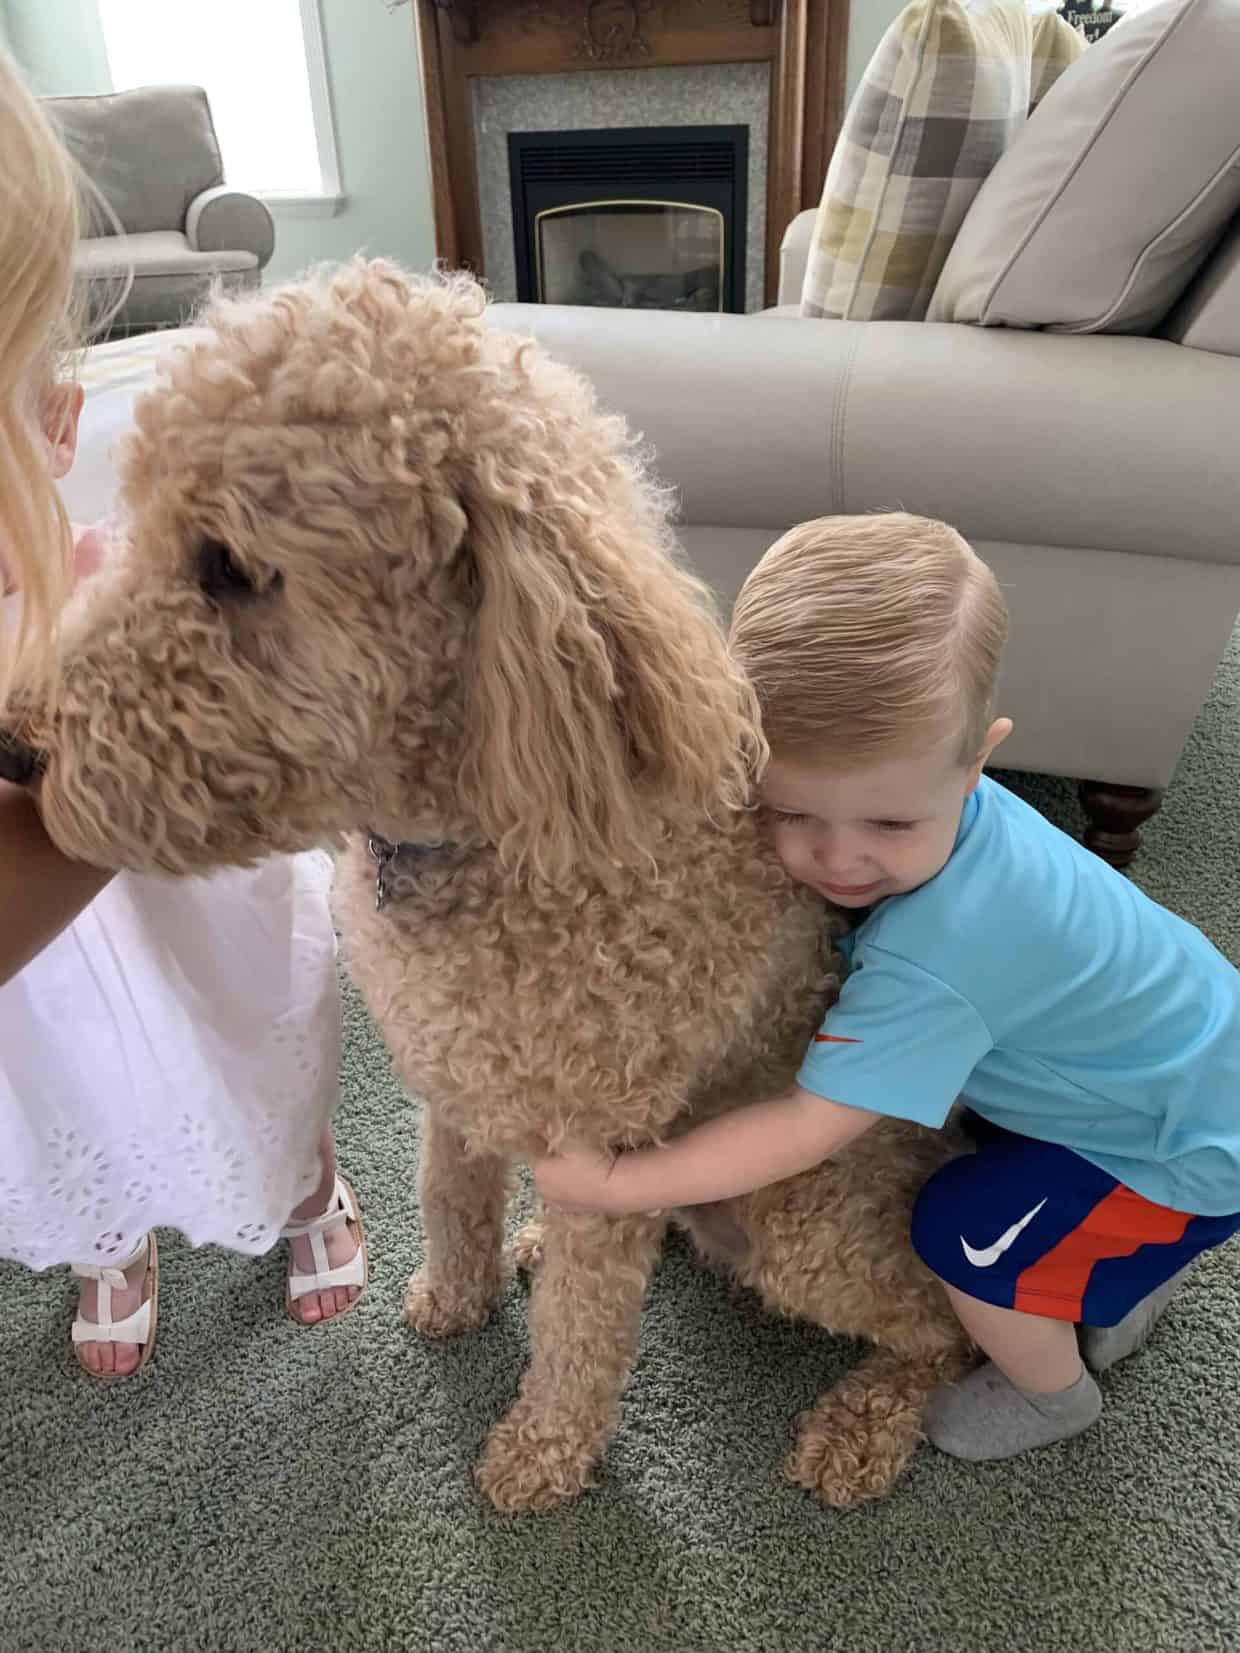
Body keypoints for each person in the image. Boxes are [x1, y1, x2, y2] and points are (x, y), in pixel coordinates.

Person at [532, 512, 1240, 1462]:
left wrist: (623, 1181)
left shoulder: (935, 962)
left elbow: (802, 1129)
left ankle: (1053, 1389)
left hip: (1182, 1147)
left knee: (967, 1237)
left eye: (888, 824)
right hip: (1183, 1048)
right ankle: (1116, 1271)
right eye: (787, 810)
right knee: (1042, 1191)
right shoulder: (961, 813)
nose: (836, 857)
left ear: (982, 755)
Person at [0, 48, 366, 1379]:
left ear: (51, 424)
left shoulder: (121, 579)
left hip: (182, 904)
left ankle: (308, 1186)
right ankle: (116, 1232)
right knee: (78, 1098)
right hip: (33, 977)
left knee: (253, 1043)